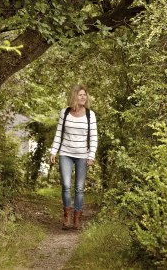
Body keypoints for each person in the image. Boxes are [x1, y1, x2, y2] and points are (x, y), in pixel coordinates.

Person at [50, 84, 98, 230]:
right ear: (74, 96)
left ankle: (77, 219)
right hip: (65, 153)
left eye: (85, 95)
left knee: (79, 188)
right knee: (66, 185)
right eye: (80, 95)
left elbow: (94, 137)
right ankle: (67, 217)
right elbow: (59, 133)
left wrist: (91, 155)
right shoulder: (64, 113)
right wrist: (53, 150)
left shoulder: (90, 115)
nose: (83, 97)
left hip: (82, 155)